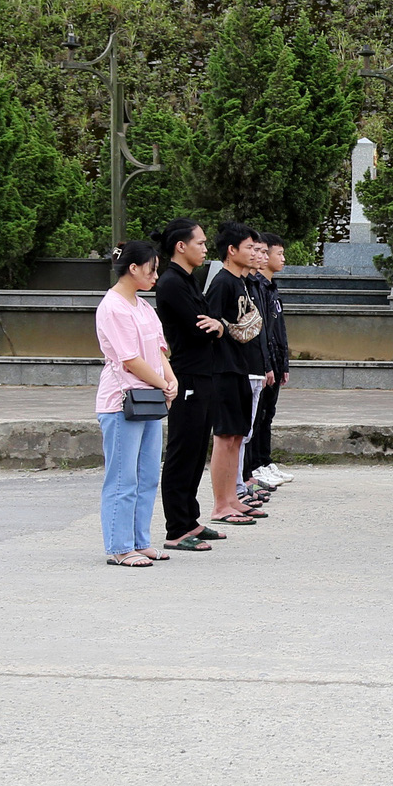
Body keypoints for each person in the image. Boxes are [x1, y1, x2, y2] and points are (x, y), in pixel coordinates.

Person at [97, 241, 175, 566]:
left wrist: (171, 380)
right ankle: (119, 547)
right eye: (151, 269)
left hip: (149, 400)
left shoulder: (143, 306)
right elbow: (129, 359)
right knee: (122, 478)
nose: (155, 275)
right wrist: (164, 384)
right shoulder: (113, 307)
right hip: (121, 402)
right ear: (133, 268)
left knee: (147, 476)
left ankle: (139, 541)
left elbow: (158, 351)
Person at [153, 219, 226, 551]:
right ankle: (176, 528)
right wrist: (216, 326)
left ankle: (190, 519)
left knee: (198, 451)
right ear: (180, 246)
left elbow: (213, 321)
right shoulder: (171, 283)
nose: (205, 248)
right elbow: (200, 328)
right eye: (200, 242)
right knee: (183, 451)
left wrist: (218, 325)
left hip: (204, 373)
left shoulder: (189, 281)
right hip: (187, 376)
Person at [204, 222, 270, 528]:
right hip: (224, 368)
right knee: (224, 436)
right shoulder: (222, 283)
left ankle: (233, 498)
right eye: (248, 247)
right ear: (231, 251)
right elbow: (212, 324)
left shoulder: (241, 282)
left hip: (241, 367)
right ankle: (220, 504)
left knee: (236, 436)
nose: (255, 253)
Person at [245, 234, 292, 490]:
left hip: (273, 360)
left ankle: (264, 461)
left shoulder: (271, 289)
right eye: (278, 254)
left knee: (267, 414)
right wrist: (267, 365)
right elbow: (260, 331)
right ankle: (254, 466)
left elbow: (278, 331)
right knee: (257, 417)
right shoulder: (256, 288)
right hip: (262, 363)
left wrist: (283, 363)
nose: (280, 259)